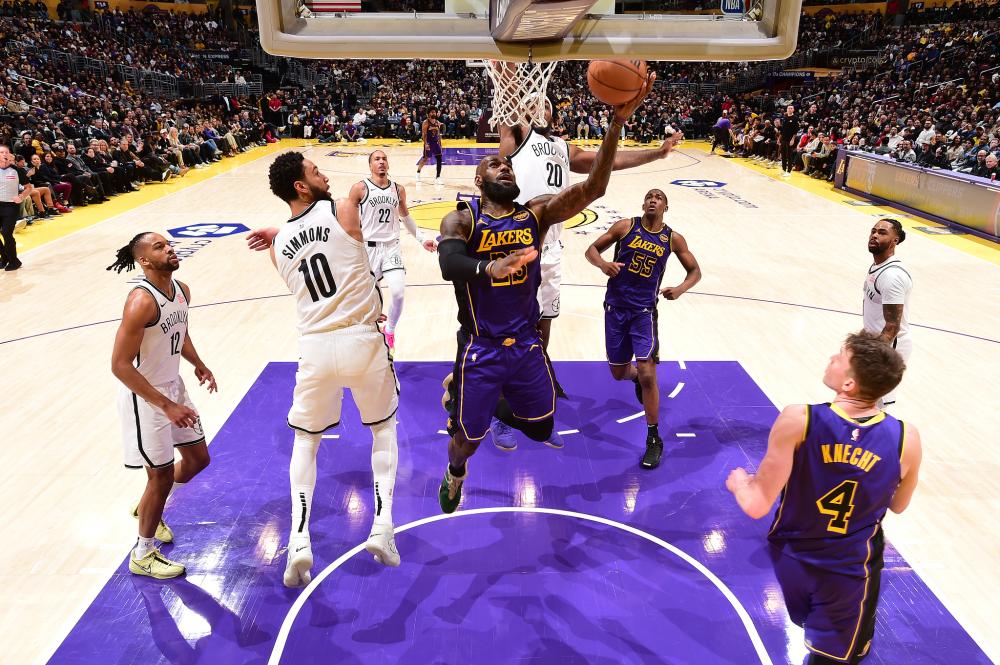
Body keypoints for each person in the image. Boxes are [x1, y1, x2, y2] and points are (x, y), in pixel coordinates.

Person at [436, 74, 654, 512]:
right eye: (495, 165)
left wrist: (615, 123)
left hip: (526, 345)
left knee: (539, 425)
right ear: (479, 179)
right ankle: (455, 473)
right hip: (481, 346)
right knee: (466, 442)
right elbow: (449, 264)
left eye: (508, 166)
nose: (505, 168)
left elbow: (593, 188)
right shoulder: (463, 219)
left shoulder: (536, 215)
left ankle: (473, 400)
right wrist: (489, 266)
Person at [246, 151, 402, 587]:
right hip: (362, 339)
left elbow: (306, 240)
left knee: (305, 441)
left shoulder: (277, 247)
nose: (325, 175)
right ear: (301, 185)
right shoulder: (344, 210)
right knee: (383, 430)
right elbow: (372, 231)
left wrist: (279, 230)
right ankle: (382, 526)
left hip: (314, 348)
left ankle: (298, 539)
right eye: (316, 172)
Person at [495, 95, 684, 449]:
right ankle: (500, 414)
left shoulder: (562, 147)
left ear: (554, 114)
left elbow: (605, 163)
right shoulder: (517, 135)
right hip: (516, 246)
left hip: (551, 249)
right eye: (532, 101)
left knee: (541, 337)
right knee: (510, 335)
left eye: (545, 103)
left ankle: (531, 405)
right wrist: (508, 74)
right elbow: (509, 96)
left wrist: (657, 154)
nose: (539, 106)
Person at [726, 331, 921, 665]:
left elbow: (756, 504)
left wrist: (740, 483)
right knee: (834, 657)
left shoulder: (798, 419)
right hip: (848, 569)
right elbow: (899, 504)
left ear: (849, 384)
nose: (831, 358)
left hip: (791, 558)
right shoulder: (906, 438)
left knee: (811, 628)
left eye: (839, 357)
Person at [108, 232, 217, 578]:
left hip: (173, 387)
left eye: (169, 244)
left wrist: (198, 363)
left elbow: (179, 332)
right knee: (161, 475)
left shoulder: (182, 290)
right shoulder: (141, 302)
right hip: (146, 397)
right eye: (160, 247)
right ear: (143, 260)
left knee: (198, 459)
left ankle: (148, 506)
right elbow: (120, 365)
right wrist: (166, 406)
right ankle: (142, 554)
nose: (170, 248)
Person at [584, 189, 701, 469]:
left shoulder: (672, 238)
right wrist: (603, 264)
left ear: (665, 207)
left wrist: (681, 289)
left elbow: (695, 271)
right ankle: (634, 377)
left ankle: (653, 438)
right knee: (618, 373)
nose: (653, 200)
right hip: (615, 309)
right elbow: (591, 250)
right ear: (642, 203)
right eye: (649, 196)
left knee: (649, 372)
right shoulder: (625, 227)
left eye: (658, 197)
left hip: (644, 313)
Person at [348, 150, 437, 352]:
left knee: (397, 293)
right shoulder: (359, 188)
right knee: (365, 300)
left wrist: (422, 239)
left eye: (384, 159)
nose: (381, 162)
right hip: (368, 249)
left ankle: (390, 330)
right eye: (377, 159)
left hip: (391, 248)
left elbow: (406, 218)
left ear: (388, 164)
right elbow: (349, 218)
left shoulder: (398, 189)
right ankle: (365, 334)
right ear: (370, 165)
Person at [863, 219, 912, 408]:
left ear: (895, 240)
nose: (875, 235)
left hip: (888, 348)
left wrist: (869, 355)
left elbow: (892, 327)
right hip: (876, 343)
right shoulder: (878, 266)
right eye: (873, 231)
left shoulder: (892, 276)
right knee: (863, 405)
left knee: (873, 408)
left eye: (882, 233)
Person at [1, 144, 32, 271]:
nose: (4, 154)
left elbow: (29, 187)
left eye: (6, 152)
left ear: (9, 155)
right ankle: (4, 257)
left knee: (6, 233)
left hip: (10, 206)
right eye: (1, 152)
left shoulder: (17, 170)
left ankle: (14, 261)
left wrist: (22, 196)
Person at [416, 108, 444, 184]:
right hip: (428, 143)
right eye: (432, 112)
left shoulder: (437, 122)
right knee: (425, 159)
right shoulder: (426, 122)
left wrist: (440, 144)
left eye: (434, 112)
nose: (433, 113)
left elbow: (438, 134)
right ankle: (418, 172)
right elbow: (424, 134)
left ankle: (438, 176)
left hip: (435, 143)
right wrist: (425, 144)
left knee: (439, 158)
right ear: (428, 114)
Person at [779, 105, 799, 177]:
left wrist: (793, 139)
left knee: (789, 155)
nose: (790, 109)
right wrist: (779, 139)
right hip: (783, 139)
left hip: (790, 139)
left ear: (793, 110)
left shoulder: (795, 118)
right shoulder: (784, 117)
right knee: (783, 155)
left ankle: (789, 171)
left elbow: (796, 130)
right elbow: (782, 130)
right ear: (787, 109)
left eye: (791, 108)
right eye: (788, 108)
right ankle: (784, 169)